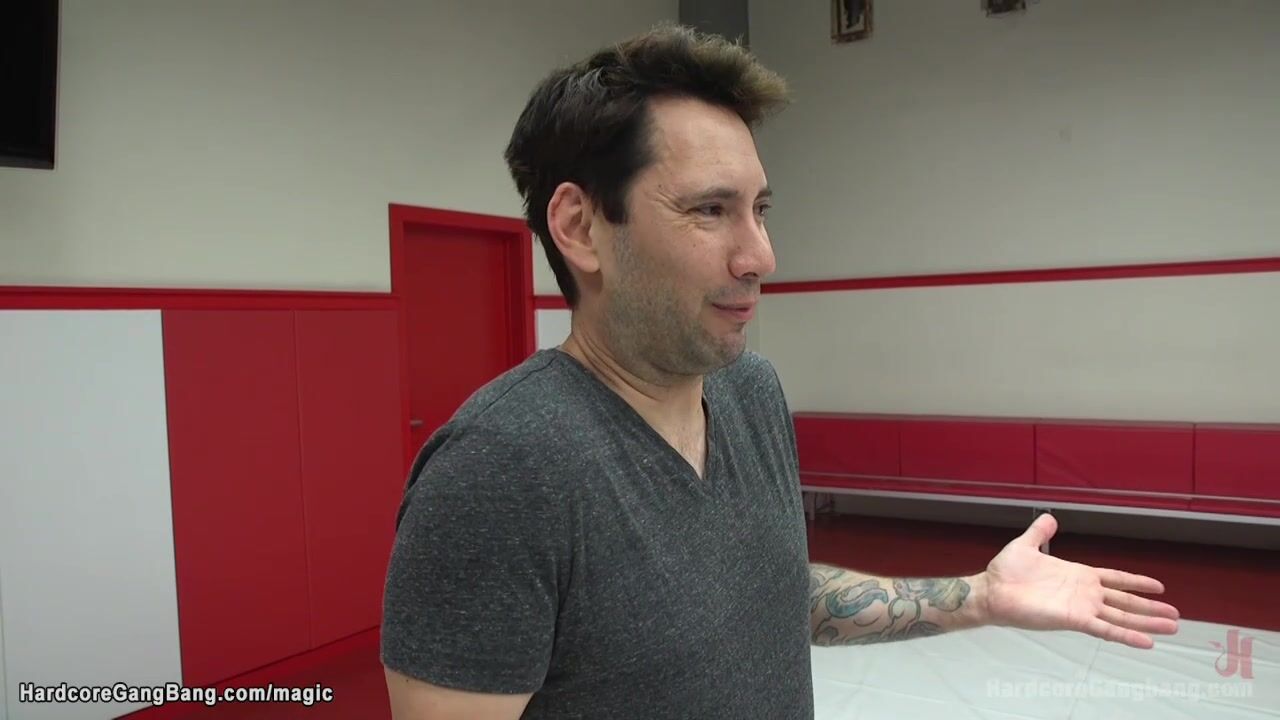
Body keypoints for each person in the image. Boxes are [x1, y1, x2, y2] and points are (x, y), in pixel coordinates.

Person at [379, 23, 1180, 720]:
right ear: (582, 228)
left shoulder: (749, 392)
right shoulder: (502, 469)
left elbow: (773, 596)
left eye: (760, 209)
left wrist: (978, 597)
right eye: (710, 210)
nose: (760, 255)